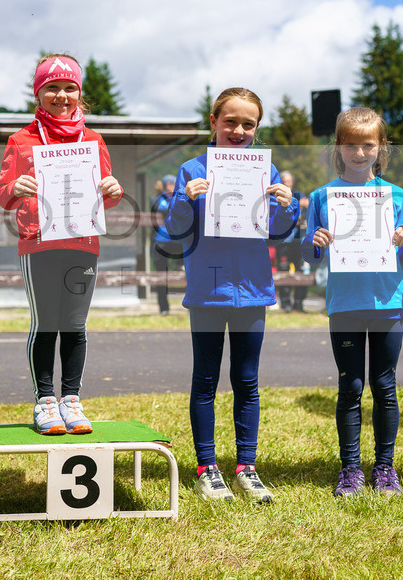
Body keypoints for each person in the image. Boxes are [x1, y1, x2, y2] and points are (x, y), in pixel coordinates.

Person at [164, 87, 297, 503]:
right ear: (213, 122)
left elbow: (280, 234)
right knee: (204, 380)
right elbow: (174, 231)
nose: (239, 130)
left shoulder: (267, 173)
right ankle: (207, 468)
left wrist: (287, 207)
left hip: (253, 291)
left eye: (248, 124)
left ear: (257, 129)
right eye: (231, 122)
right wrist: (186, 201)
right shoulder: (191, 170)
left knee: (247, 381)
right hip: (208, 289)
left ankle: (247, 468)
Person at [0, 54, 123, 435]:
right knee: (46, 322)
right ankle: (45, 401)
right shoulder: (21, 140)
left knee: (76, 324)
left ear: (79, 94)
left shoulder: (94, 140)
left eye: (70, 88)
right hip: (39, 243)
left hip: (83, 241)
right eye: (52, 87)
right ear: (38, 93)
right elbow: (2, 193)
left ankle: (71, 400)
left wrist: (114, 190)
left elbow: (105, 191)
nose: (61, 95)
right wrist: (14, 189)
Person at [300, 108, 403, 497]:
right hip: (345, 304)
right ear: (339, 146)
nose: (359, 152)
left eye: (368, 144)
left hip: (387, 302)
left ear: (381, 147)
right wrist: (313, 242)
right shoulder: (322, 196)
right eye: (351, 144)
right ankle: (350, 468)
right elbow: (308, 251)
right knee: (350, 386)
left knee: (385, 385)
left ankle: (385, 467)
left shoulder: (396, 195)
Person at [275, 170, 309, 313]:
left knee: (302, 272)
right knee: (283, 271)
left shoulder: (299, 195)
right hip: (283, 241)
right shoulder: (275, 196)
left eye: (289, 181)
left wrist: (307, 205)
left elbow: (309, 207)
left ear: (292, 182)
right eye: (284, 181)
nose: (287, 184)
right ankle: (285, 304)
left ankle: (299, 304)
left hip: (299, 241)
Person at [150, 174, 180, 315]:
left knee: (188, 270)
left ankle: (189, 305)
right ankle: (164, 308)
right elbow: (162, 210)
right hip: (160, 243)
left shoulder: (179, 198)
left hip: (177, 242)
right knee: (161, 276)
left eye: (174, 184)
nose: (171, 187)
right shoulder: (156, 199)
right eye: (169, 185)